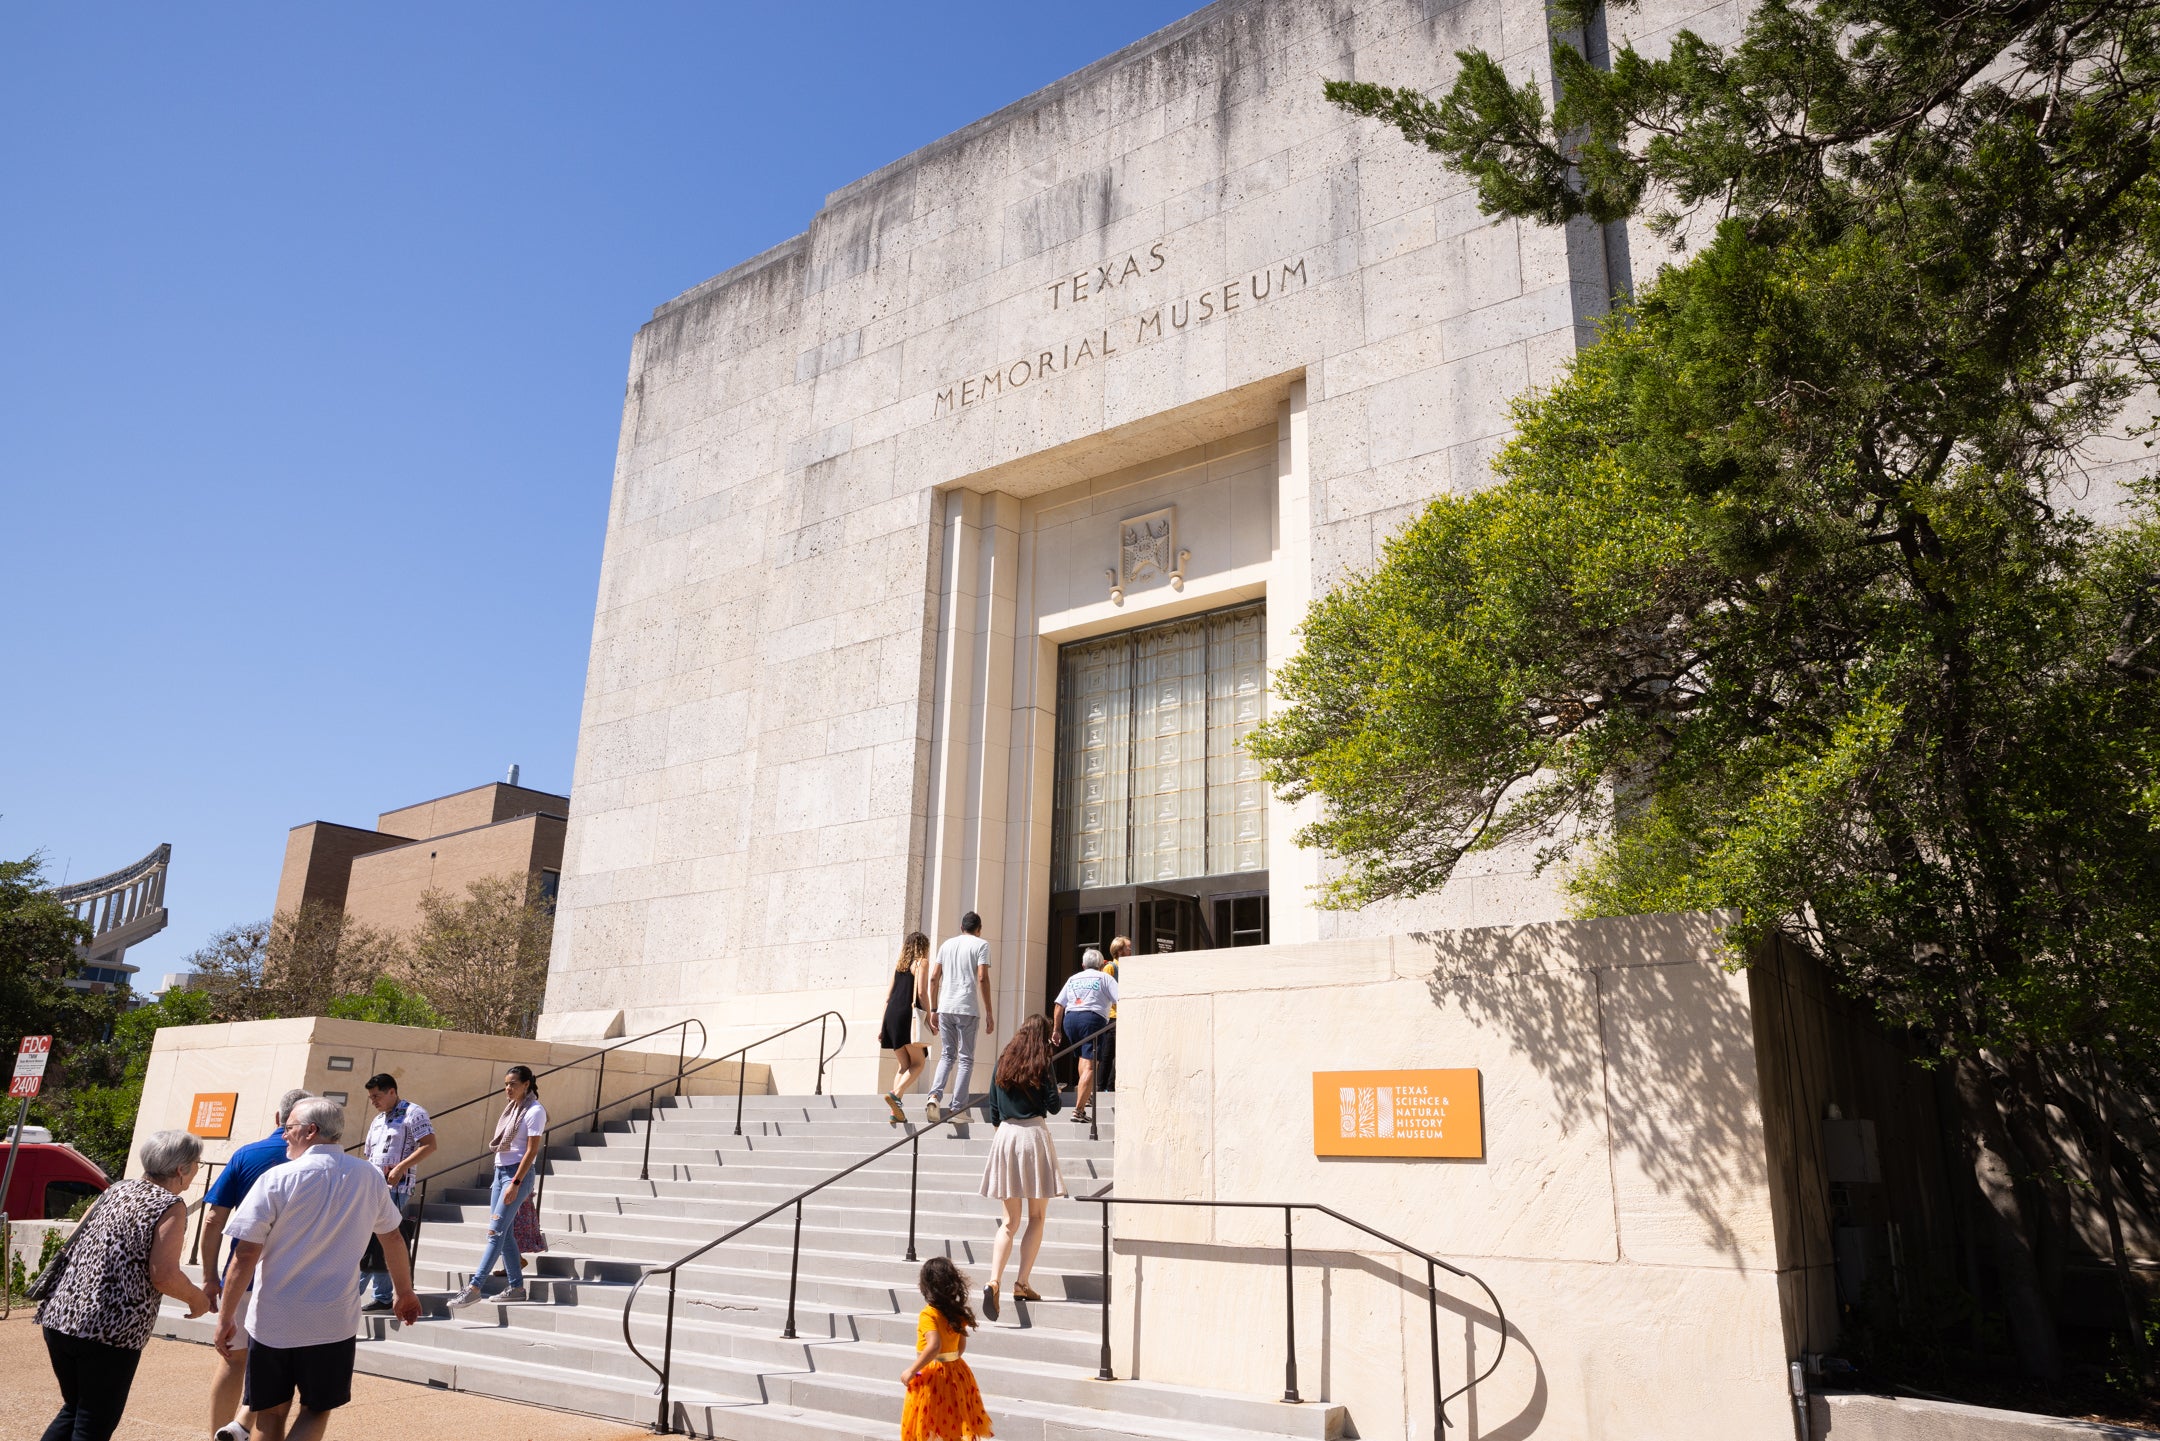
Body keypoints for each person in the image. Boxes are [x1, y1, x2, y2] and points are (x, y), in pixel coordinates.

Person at [215, 1098, 420, 1441]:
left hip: (273, 1319)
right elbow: (393, 1237)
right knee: (316, 1408)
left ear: (310, 1131)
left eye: (288, 1128)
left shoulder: (276, 1178)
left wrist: (226, 1317)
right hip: (332, 1320)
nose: (283, 1136)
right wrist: (404, 1291)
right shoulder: (368, 1175)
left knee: (270, 1411)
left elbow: (245, 1254)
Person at [35, 1129, 214, 1441]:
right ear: (180, 1169)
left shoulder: (114, 1190)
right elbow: (164, 1275)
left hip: (61, 1316)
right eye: (197, 1162)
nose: (198, 1168)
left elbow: (75, 1240)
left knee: (74, 1408)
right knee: (93, 1422)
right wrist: (197, 1299)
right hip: (109, 1330)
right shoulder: (170, 1205)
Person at [200, 1087, 313, 1441]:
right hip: (294, 1282)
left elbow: (212, 1220)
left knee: (232, 1361)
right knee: (279, 1373)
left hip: (243, 1276)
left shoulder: (246, 1155)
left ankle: (218, 1433)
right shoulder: (318, 1163)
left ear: (279, 1119)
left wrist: (209, 1278)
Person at [977, 1016, 1063, 1322]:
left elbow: (994, 1110)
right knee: (1037, 1216)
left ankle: (993, 1280)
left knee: (1009, 1222)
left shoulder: (1003, 1061)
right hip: (1032, 1135)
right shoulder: (1042, 1062)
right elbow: (1054, 1106)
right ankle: (1022, 1282)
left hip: (1005, 1136)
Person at [447, 1065, 547, 1309]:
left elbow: (532, 1151)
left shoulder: (534, 1111)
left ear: (526, 1084)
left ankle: (474, 1287)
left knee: (495, 1233)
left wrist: (515, 1183)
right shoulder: (513, 1109)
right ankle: (516, 1287)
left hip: (516, 1175)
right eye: (506, 1084)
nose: (508, 1089)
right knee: (505, 1233)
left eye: (513, 1084)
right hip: (500, 1172)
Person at [359, 1072, 435, 1311]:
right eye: (371, 1097)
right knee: (377, 1239)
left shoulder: (414, 1113)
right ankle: (382, 1295)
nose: (374, 1101)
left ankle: (353, 1291)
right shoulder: (378, 1119)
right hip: (374, 1185)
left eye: (377, 1096)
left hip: (396, 1187)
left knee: (377, 1238)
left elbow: (430, 1145)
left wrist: (402, 1167)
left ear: (392, 1091)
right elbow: (369, 1153)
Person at [899, 1256, 992, 1441]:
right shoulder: (955, 1312)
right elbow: (960, 1346)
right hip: (956, 1372)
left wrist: (912, 1370)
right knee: (953, 1422)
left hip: (932, 1375)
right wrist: (950, 1361)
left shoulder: (928, 1314)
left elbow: (934, 1346)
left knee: (930, 1424)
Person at [924, 911, 995, 1126]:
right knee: (965, 1058)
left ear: (961, 927)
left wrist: (934, 1009)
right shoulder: (981, 945)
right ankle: (957, 1108)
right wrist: (989, 1011)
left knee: (947, 1055)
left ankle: (934, 1096)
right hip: (966, 1008)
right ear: (978, 928)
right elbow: (982, 977)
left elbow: (934, 978)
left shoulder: (946, 945)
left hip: (945, 1007)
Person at [1052, 948, 1119, 1126]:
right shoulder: (1105, 978)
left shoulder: (1073, 979)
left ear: (1083, 965)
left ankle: (1086, 1094)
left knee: (1083, 1058)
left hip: (1071, 1020)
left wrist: (1056, 1030)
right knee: (1090, 1064)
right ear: (1102, 964)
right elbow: (1121, 998)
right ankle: (1079, 1110)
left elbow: (1059, 1004)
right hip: (1092, 1020)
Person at [880, 931, 933, 1124]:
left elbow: (887, 997)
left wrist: (882, 1027)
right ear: (923, 947)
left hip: (891, 1017)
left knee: (904, 1065)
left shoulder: (899, 967)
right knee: (919, 1063)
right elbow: (921, 992)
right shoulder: (921, 963)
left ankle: (896, 1112)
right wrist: (930, 1016)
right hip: (907, 1017)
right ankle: (896, 1094)